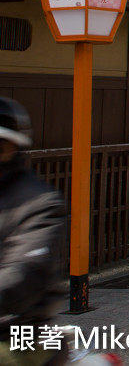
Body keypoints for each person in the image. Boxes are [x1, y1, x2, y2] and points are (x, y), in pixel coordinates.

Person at [0, 98, 67, 366]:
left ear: (17, 149)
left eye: (1, 147)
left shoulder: (41, 202)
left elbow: (26, 271)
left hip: (19, 331)